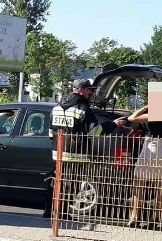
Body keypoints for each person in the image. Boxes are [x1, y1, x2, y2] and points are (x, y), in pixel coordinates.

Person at [43, 78, 127, 218]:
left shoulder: (56, 107)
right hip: (76, 155)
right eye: (90, 90)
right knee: (72, 185)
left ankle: (51, 212)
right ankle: (62, 214)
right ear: (81, 89)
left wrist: (58, 147)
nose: (92, 92)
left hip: (58, 154)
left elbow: (51, 132)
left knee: (56, 182)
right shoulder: (83, 108)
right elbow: (95, 132)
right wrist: (112, 124)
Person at [124, 104, 162, 227]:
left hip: (152, 146)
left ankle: (134, 217)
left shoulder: (155, 114)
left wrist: (147, 107)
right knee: (160, 185)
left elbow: (131, 118)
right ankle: (156, 217)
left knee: (139, 182)